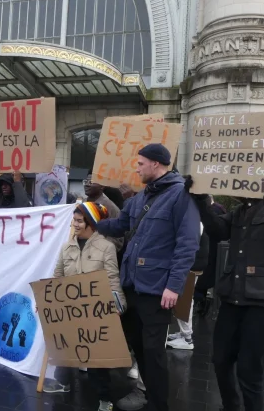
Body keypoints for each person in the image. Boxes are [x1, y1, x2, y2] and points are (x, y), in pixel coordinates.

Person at [96, 144, 201, 411]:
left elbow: (187, 245)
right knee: (139, 347)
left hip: (156, 290)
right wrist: (89, 220)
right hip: (131, 286)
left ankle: (158, 404)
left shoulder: (181, 195)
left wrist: (173, 286)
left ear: (156, 163)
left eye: (141, 163)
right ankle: (148, 396)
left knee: (153, 353)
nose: (137, 168)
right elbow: (120, 225)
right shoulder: (141, 197)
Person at [187, 177, 264, 411]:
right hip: (233, 294)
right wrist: (201, 200)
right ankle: (231, 406)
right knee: (220, 359)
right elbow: (217, 230)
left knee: (249, 369)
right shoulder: (243, 208)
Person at [43, 202, 135, 411]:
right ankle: (63, 382)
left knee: (96, 360)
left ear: (91, 223)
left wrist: (118, 305)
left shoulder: (106, 247)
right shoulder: (67, 247)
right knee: (65, 347)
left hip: (94, 312)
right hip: (70, 310)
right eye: (73, 221)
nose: (74, 225)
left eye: (79, 221)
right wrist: (47, 300)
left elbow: (112, 279)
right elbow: (58, 277)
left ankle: (105, 398)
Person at [167, 223, 209, 350]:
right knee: (184, 299)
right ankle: (184, 333)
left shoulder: (194, 222)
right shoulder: (195, 221)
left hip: (190, 266)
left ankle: (187, 338)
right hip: (193, 264)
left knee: (184, 300)